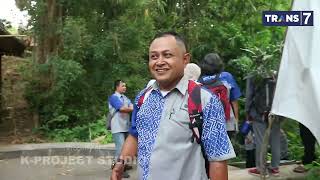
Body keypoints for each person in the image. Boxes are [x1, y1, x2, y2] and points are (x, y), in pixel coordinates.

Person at [111, 32, 235, 180]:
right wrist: (120, 164)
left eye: (167, 55)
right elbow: (135, 135)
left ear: (185, 59)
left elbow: (218, 159)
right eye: (154, 56)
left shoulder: (204, 100)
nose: (159, 62)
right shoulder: (143, 98)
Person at [198, 53, 242, 137]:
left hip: (207, 124)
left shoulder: (200, 80)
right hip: (227, 123)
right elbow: (234, 102)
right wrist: (236, 120)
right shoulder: (226, 76)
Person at [245, 74, 281, 176]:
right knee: (275, 139)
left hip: (258, 113)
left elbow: (249, 94)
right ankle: (274, 168)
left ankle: (261, 169)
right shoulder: (278, 72)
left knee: (260, 141)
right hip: (276, 112)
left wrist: (248, 111)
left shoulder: (253, 74)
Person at [108, 80, 133, 178]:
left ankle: (123, 166)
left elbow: (130, 106)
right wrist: (131, 108)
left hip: (126, 126)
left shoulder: (125, 98)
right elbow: (122, 108)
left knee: (126, 149)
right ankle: (118, 170)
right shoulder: (113, 97)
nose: (125, 87)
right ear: (117, 87)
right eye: (123, 86)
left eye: (125, 86)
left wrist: (129, 108)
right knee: (120, 149)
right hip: (118, 127)